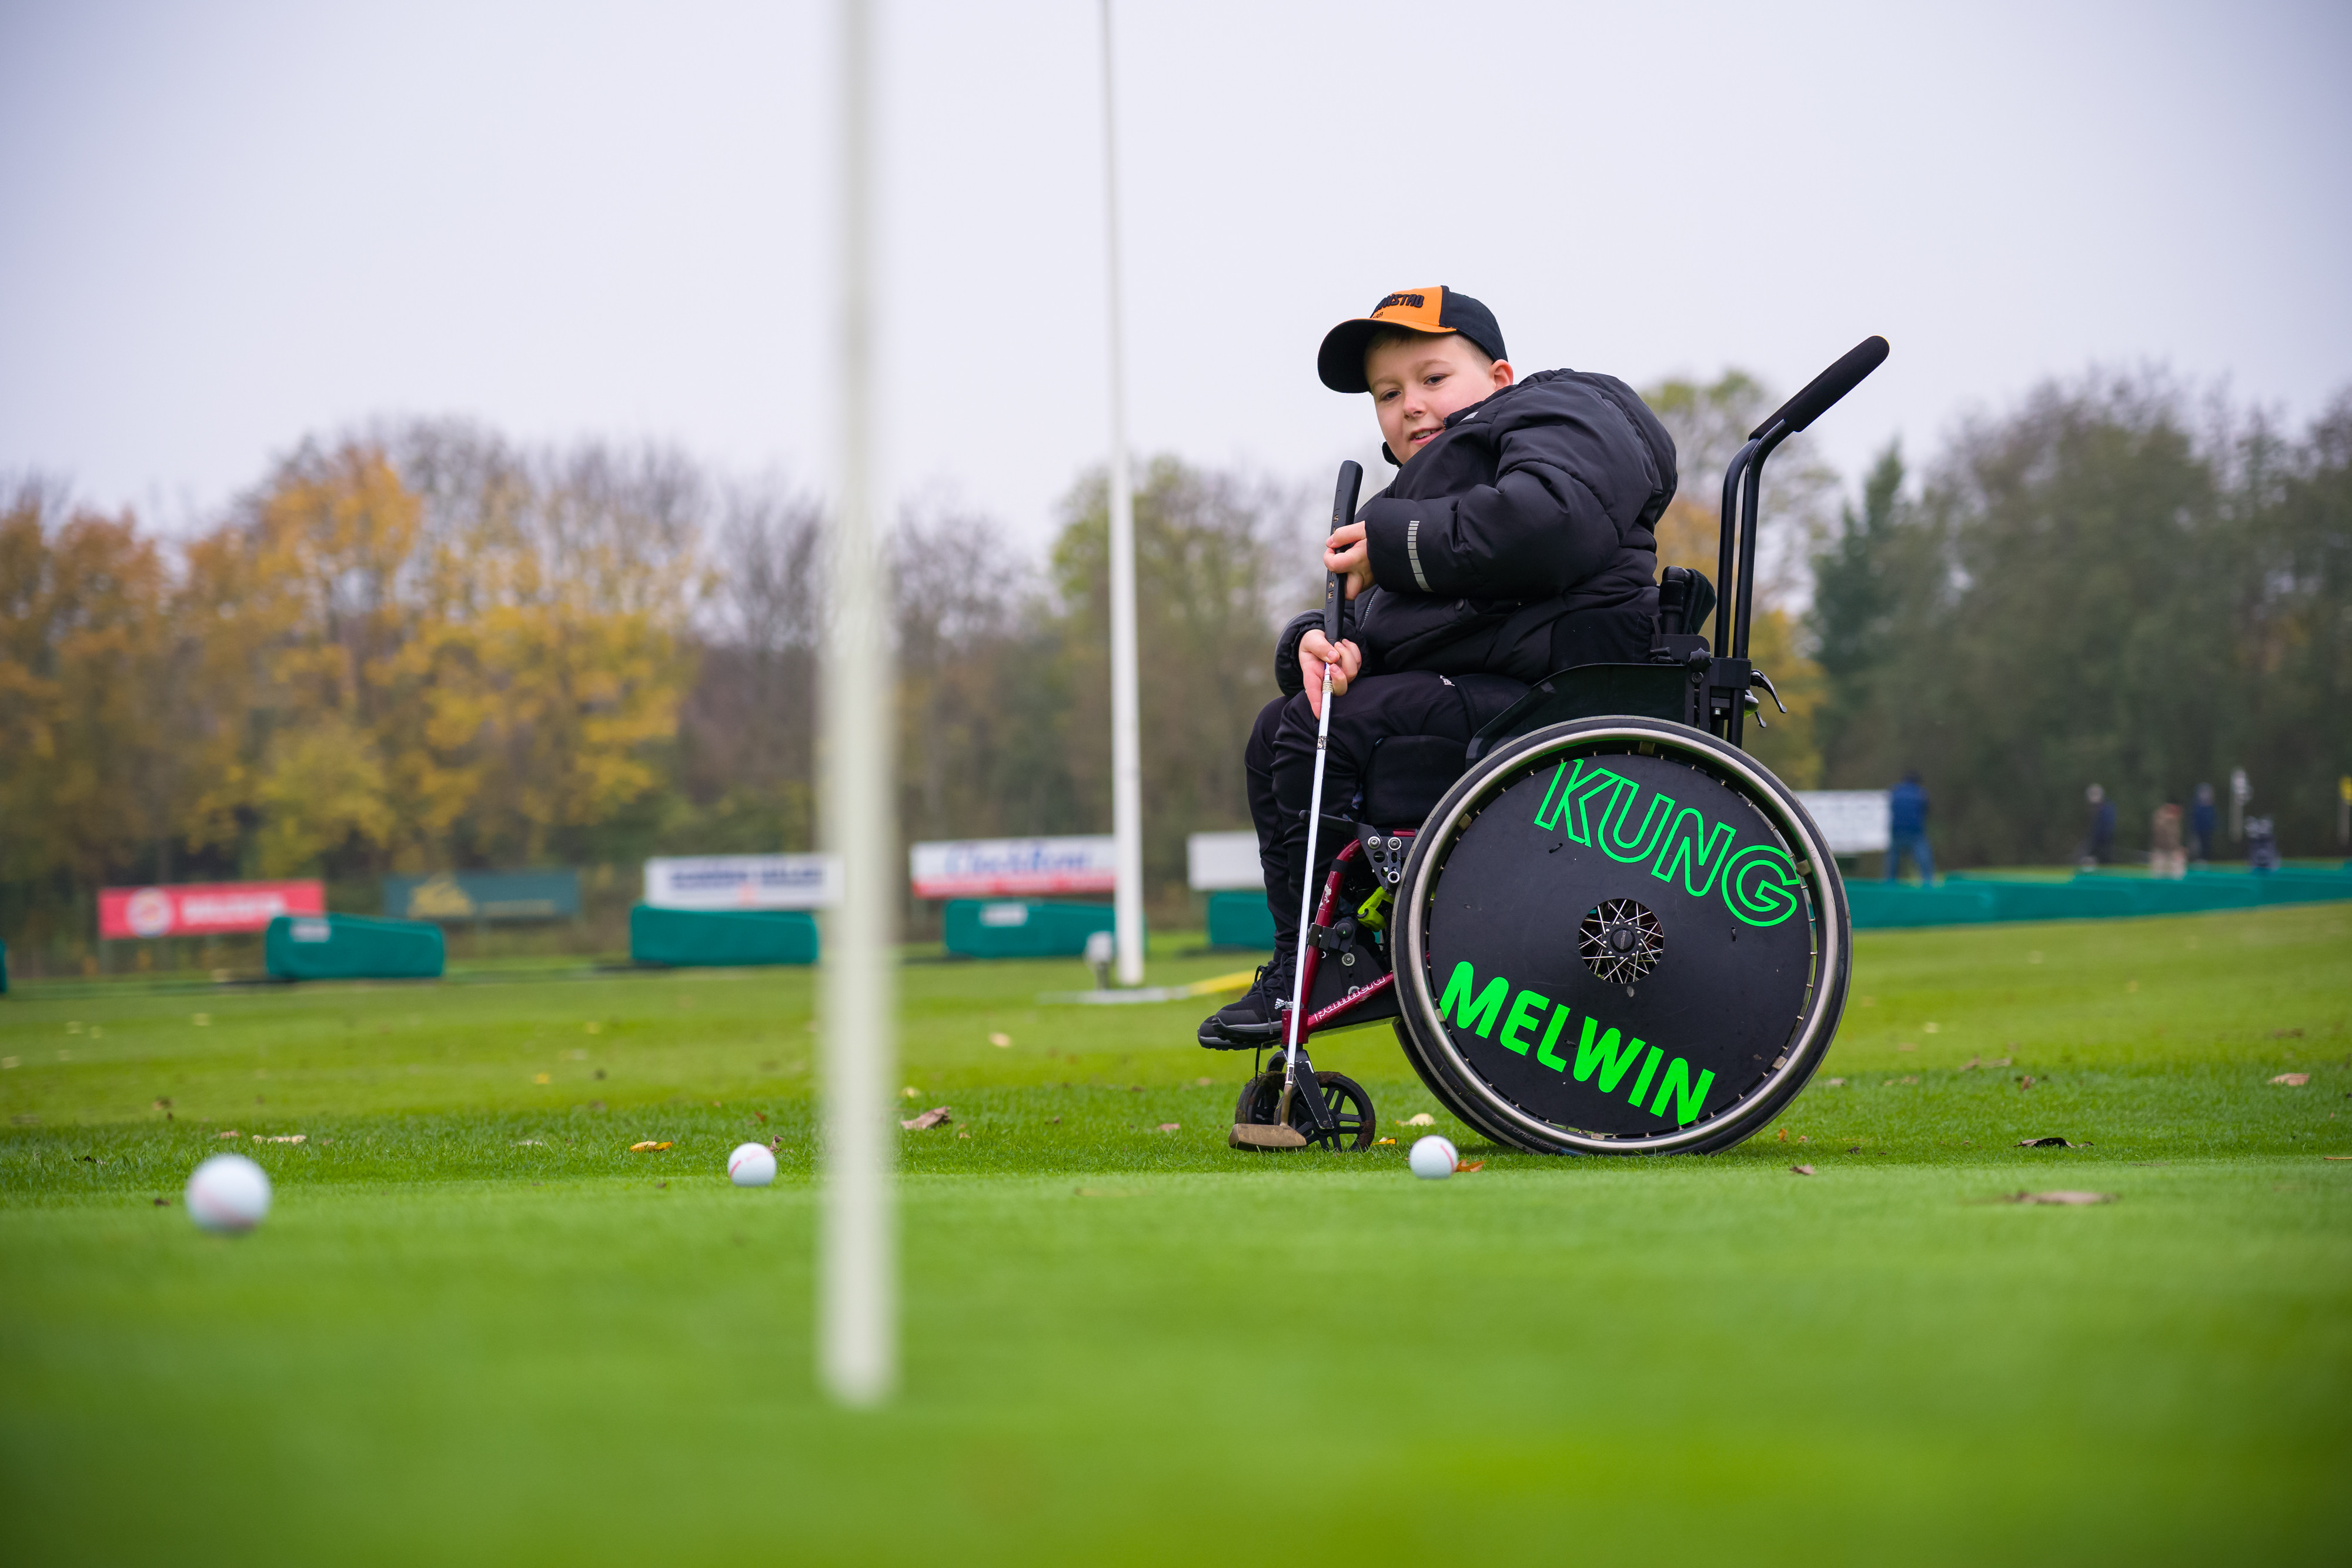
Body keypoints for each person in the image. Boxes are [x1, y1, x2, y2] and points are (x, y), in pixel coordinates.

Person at [1199, 286, 1674, 1048]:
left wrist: (1392, 541)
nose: (1410, 406)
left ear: (1499, 376)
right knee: (1285, 726)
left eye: (1432, 378)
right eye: (1388, 393)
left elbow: (1551, 524)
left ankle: (1331, 959)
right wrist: (1320, 646)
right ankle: (1308, 956)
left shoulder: (1564, 415)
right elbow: (1390, 629)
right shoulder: (1424, 502)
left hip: (1555, 705)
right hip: (1484, 696)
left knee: (1320, 733)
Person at [1885, 770, 1933, 883]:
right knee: (1924, 863)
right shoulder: (1921, 793)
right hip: (1915, 833)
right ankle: (1928, 884)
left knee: (1892, 865)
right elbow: (1927, 811)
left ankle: (1889, 886)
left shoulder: (1894, 792)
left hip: (1896, 832)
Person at [2079, 784, 2116, 870]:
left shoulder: (2105, 811)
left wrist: (2092, 852)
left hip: (2102, 850)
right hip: (2099, 849)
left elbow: (2103, 833)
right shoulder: (2101, 810)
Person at [2150, 802, 2186, 879]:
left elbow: (2175, 838)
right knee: (2159, 877)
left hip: (2172, 852)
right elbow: (2160, 835)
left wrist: (2178, 849)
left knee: (2177, 876)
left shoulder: (2174, 821)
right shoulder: (2160, 819)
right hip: (2161, 852)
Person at [2190, 782, 2217, 864]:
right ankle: (2199, 859)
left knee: (2206, 845)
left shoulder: (2210, 806)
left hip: (2207, 830)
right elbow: (2194, 818)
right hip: (2198, 829)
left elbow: (2212, 818)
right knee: (2198, 845)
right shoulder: (2197, 806)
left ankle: (2205, 859)